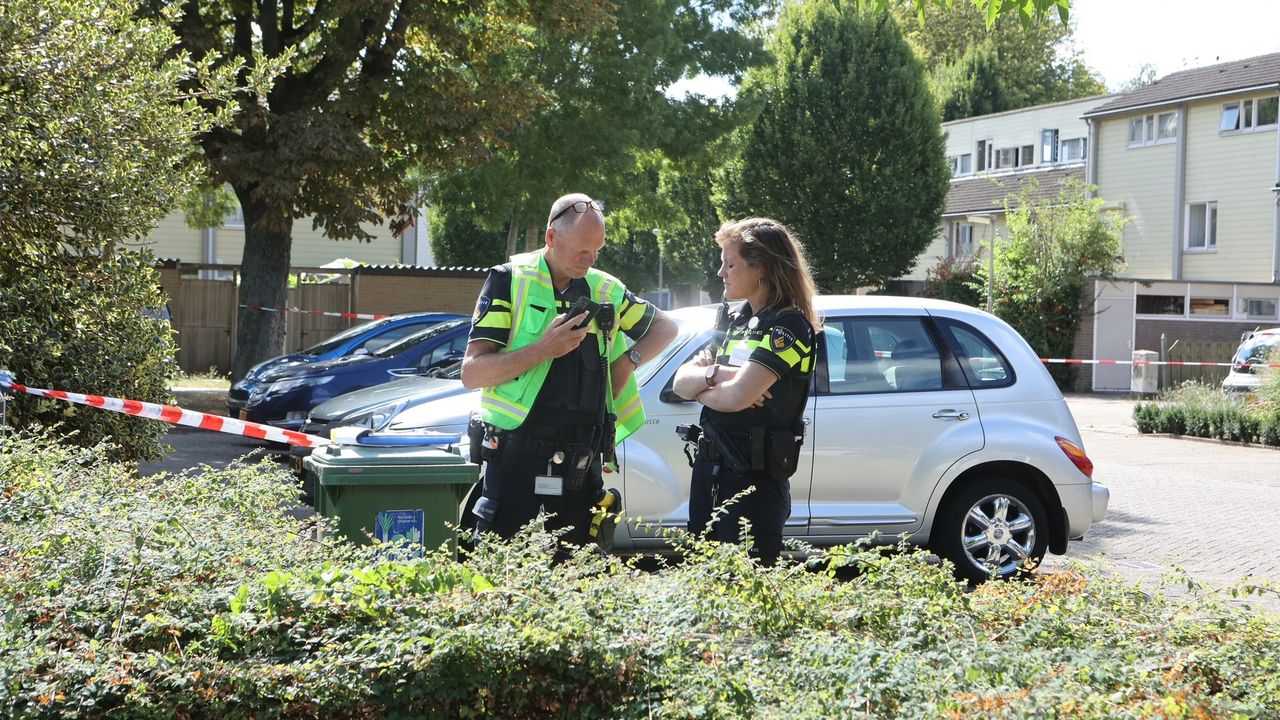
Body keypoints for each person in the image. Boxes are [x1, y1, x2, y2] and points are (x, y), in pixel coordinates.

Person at [461, 193, 677, 549]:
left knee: (578, 575)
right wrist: (542, 350)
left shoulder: (605, 287)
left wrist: (627, 363)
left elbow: (665, 329)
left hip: (580, 460)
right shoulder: (508, 281)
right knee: (502, 570)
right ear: (551, 238)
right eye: (581, 250)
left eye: (597, 251)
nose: (589, 260)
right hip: (516, 456)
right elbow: (471, 373)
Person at [672, 217, 819, 566]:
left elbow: (736, 398)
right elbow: (679, 383)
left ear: (762, 269)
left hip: (753, 482)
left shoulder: (788, 326)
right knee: (705, 588)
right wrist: (719, 375)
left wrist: (706, 383)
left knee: (745, 597)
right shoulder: (734, 322)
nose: (721, 272)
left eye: (730, 263)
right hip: (709, 473)